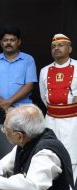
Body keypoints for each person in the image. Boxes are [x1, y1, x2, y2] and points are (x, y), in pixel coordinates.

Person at [0, 104, 73, 190]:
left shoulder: (47, 152)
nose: (3, 131)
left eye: (5, 130)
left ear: (19, 136)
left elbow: (32, 185)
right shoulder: (27, 141)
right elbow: (3, 166)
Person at [38, 33, 77, 179]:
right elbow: (43, 96)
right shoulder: (45, 70)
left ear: (70, 48)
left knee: (72, 156)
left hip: (73, 120)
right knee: (50, 153)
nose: (56, 48)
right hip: (51, 119)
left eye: (61, 45)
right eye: (53, 46)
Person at [0, 25, 37, 124]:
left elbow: (29, 85)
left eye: (12, 40)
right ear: (1, 43)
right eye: (5, 40)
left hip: (23, 108)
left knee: (21, 138)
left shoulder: (28, 60)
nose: (8, 43)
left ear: (19, 42)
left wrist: (9, 102)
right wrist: (2, 103)